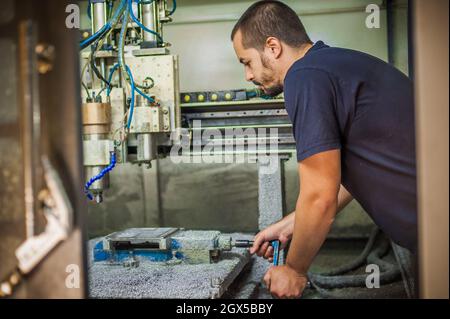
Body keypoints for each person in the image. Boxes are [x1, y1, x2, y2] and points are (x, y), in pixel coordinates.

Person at [231, 0, 417, 298]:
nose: (248, 76)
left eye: (246, 62)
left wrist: (293, 270)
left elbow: (320, 196)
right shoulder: (335, 65)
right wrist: (293, 223)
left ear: (273, 47)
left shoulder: (304, 77)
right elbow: (358, 174)